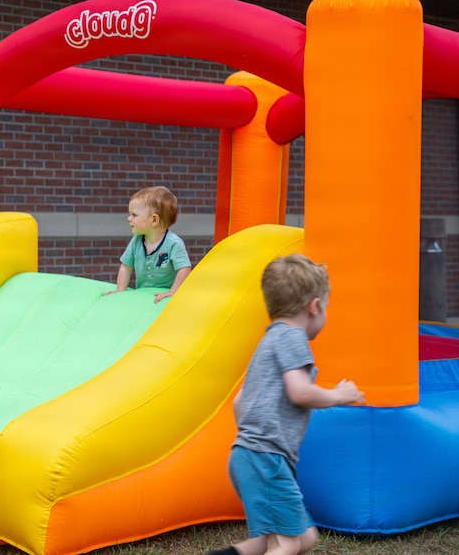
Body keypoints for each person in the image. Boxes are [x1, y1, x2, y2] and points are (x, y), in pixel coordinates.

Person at [206, 254, 365, 555]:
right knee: (287, 545)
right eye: (326, 307)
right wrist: (339, 395)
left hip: (246, 456)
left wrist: (254, 443)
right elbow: (300, 392)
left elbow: (240, 402)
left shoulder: (268, 341)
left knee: (302, 538)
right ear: (314, 306)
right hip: (266, 458)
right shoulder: (293, 338)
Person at [104, 185, 191, 303]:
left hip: (165, 294)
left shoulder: (173, 243)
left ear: (154, 220)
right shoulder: (136, 241)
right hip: (144, 294)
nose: (129, 218)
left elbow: (184, 269)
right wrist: (120, 291)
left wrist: (172, 292)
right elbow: (126, 267)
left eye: (134, 215)